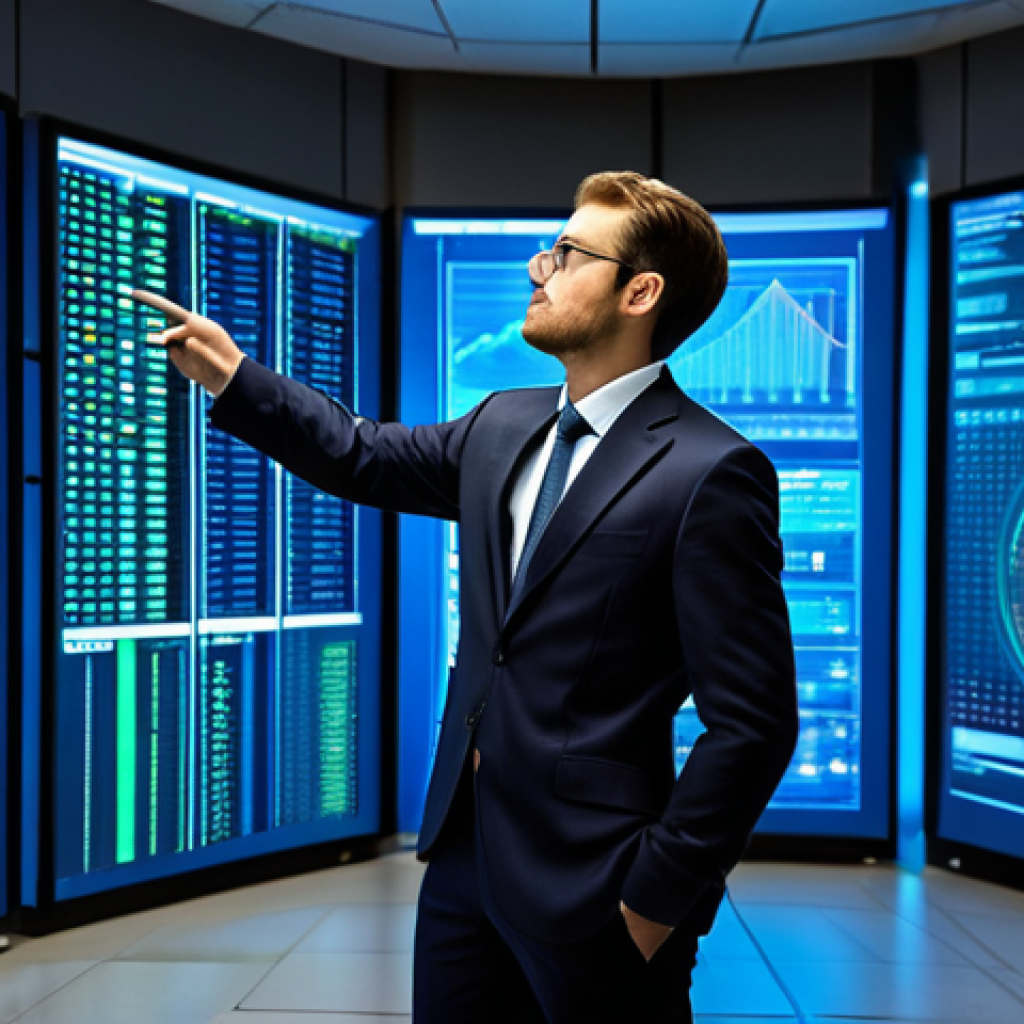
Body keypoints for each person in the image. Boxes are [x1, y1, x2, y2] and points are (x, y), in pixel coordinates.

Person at [133, 170, 799, 1024]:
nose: (539, 268)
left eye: (567, 252)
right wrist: (233, 376)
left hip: (599, 881)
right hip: (463, 860)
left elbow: (755, 721)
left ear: (641, 291)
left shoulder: (711, 471)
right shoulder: (501, 424)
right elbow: (359, 453)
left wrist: (654, 903)